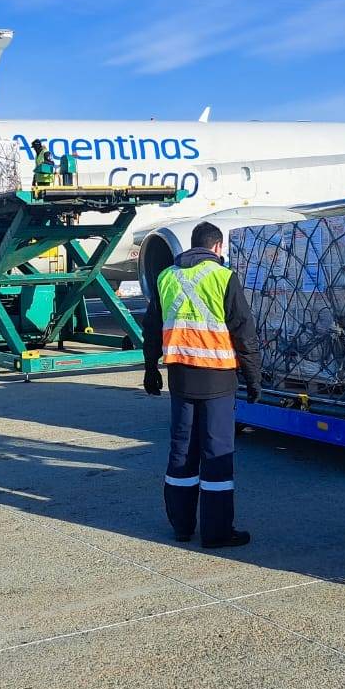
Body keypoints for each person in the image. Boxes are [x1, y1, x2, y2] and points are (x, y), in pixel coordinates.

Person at [143, 221, 261, 549]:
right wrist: (253, 379)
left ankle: (181, 526)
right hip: (218, 379)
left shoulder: (166, 277)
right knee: (217, 454)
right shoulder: (224, 277)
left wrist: (150, 368)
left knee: (181, 451)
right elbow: (244, 333)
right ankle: (217, 531)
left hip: (180, 378)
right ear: (217, 248)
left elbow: (151, 326)